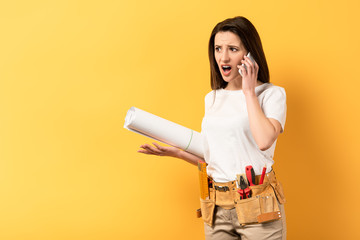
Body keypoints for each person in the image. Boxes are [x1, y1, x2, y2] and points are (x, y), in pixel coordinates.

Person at [138, 16, 287, 240]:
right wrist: (177, 153)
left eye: (233, 49)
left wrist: (248, 92)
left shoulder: (271, 94)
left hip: (258, 206)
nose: (223, 57)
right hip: (217, 206)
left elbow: (265, 140)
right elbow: (215, 159)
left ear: (250, 54)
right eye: (218, 48)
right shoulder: (212, 98)